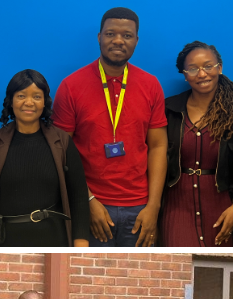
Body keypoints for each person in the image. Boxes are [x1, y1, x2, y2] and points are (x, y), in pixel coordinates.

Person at [53, 7, 167, 247]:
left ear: (136, 40)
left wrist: (154, 206)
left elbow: (158, 146)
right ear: (99, 37)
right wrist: (87, 202)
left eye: (126, 35)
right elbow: (61, 151)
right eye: (110, 34)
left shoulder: (151, 85)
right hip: (92, 205)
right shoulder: (71, 86)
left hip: (140, 208)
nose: (118, 40)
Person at [0, 69, 89, 247]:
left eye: (37, 97)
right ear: (11, 101)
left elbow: (79, 199)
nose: (29, 102)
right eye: (21, 95)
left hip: (55, 242)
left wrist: (80, 249)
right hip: (5, 244)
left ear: (45, 102)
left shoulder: (62, 143)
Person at [161, 41, 233, 247]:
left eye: (208, 66)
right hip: (177, 205)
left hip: (221, 206)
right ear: (185, 75)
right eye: (193, 69)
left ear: (219, 68)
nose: (202, 74)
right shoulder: (169, 110)